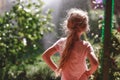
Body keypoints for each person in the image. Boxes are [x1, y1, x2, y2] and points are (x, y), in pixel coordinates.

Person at [42, 8, 99, 80]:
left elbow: (45, 56)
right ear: (85, 28)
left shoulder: (61, 42)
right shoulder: (85, 45)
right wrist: (88, 73)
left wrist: (57, 70)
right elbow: (95, 63)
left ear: (68, 25)